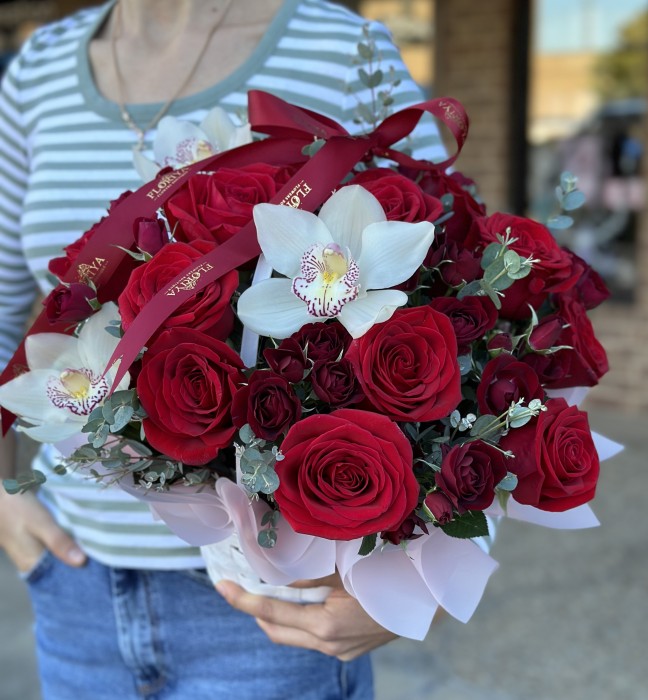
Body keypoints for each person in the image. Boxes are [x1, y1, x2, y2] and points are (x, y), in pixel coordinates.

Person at [0, 1, 447, 698]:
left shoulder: (340, 47)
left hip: (276, 608)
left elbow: (456, 296)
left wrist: (423, 577)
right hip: (75, 587)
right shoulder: (39, 71)